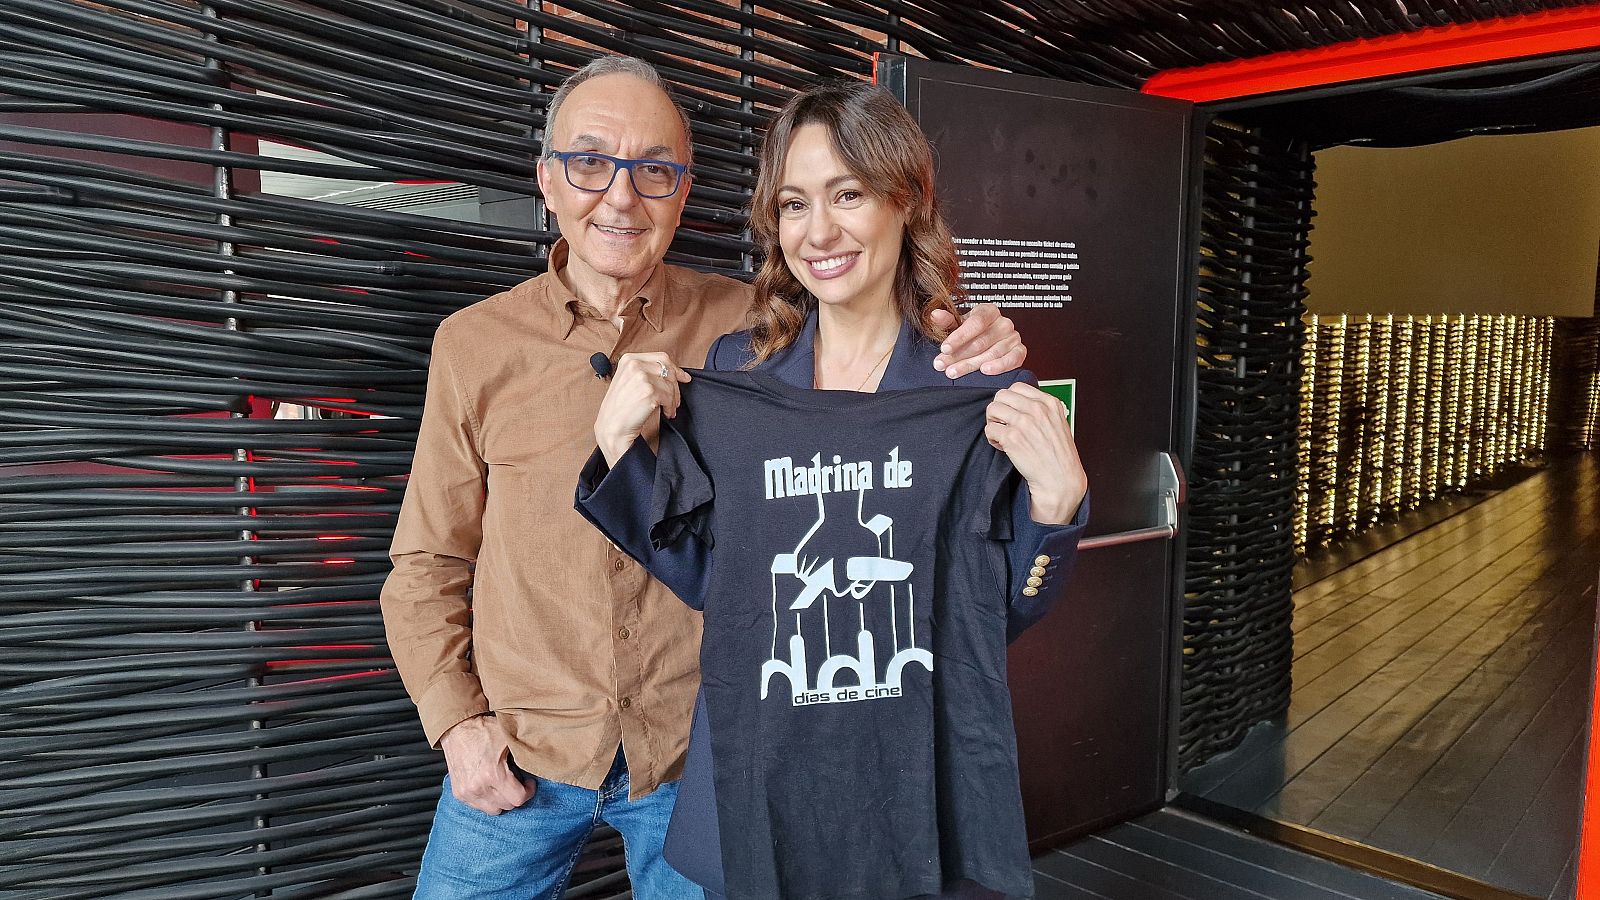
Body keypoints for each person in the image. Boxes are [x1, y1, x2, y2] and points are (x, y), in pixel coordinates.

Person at [380, 57, 1030, 898]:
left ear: (683, 192)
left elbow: (867, 314)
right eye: (590, 163)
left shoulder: (750, 331)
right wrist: (458, 725)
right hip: (524, 751)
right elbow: (426, 562)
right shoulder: (474, 345)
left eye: (655, 171)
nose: (622, 198)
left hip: (697, 758)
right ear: (547, 181)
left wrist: (971, 331)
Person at [577, 81, 1089, 898]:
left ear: (904, 201)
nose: (818, 232)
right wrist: (617, 451)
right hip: (763, 772)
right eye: (793, 204)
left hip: (912, 780)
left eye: (847, 195)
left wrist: (1054, 511)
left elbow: (984, 615)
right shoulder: (739, 372)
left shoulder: (973, 386)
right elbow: (717, 578)